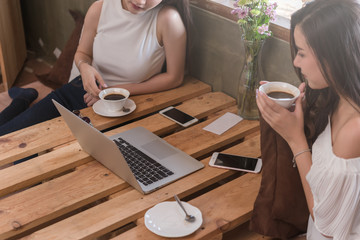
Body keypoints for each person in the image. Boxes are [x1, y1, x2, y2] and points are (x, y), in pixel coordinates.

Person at [0, 0, 191, 136]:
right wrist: (84, 67)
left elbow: (174, 77)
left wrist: (112, 91)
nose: (140, 1)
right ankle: (23, 99)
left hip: (125, 103)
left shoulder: (168, 19)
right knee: (6, 140)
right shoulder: (100, 8)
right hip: (80, 91)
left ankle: (23, 99)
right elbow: (83, 53)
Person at [256, 0, 360, 239]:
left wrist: (296, 139)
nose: (296, 62)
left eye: (302, 53)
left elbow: (326, 223)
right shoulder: (339, 97)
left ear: (333, 55)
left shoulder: (354, 130)